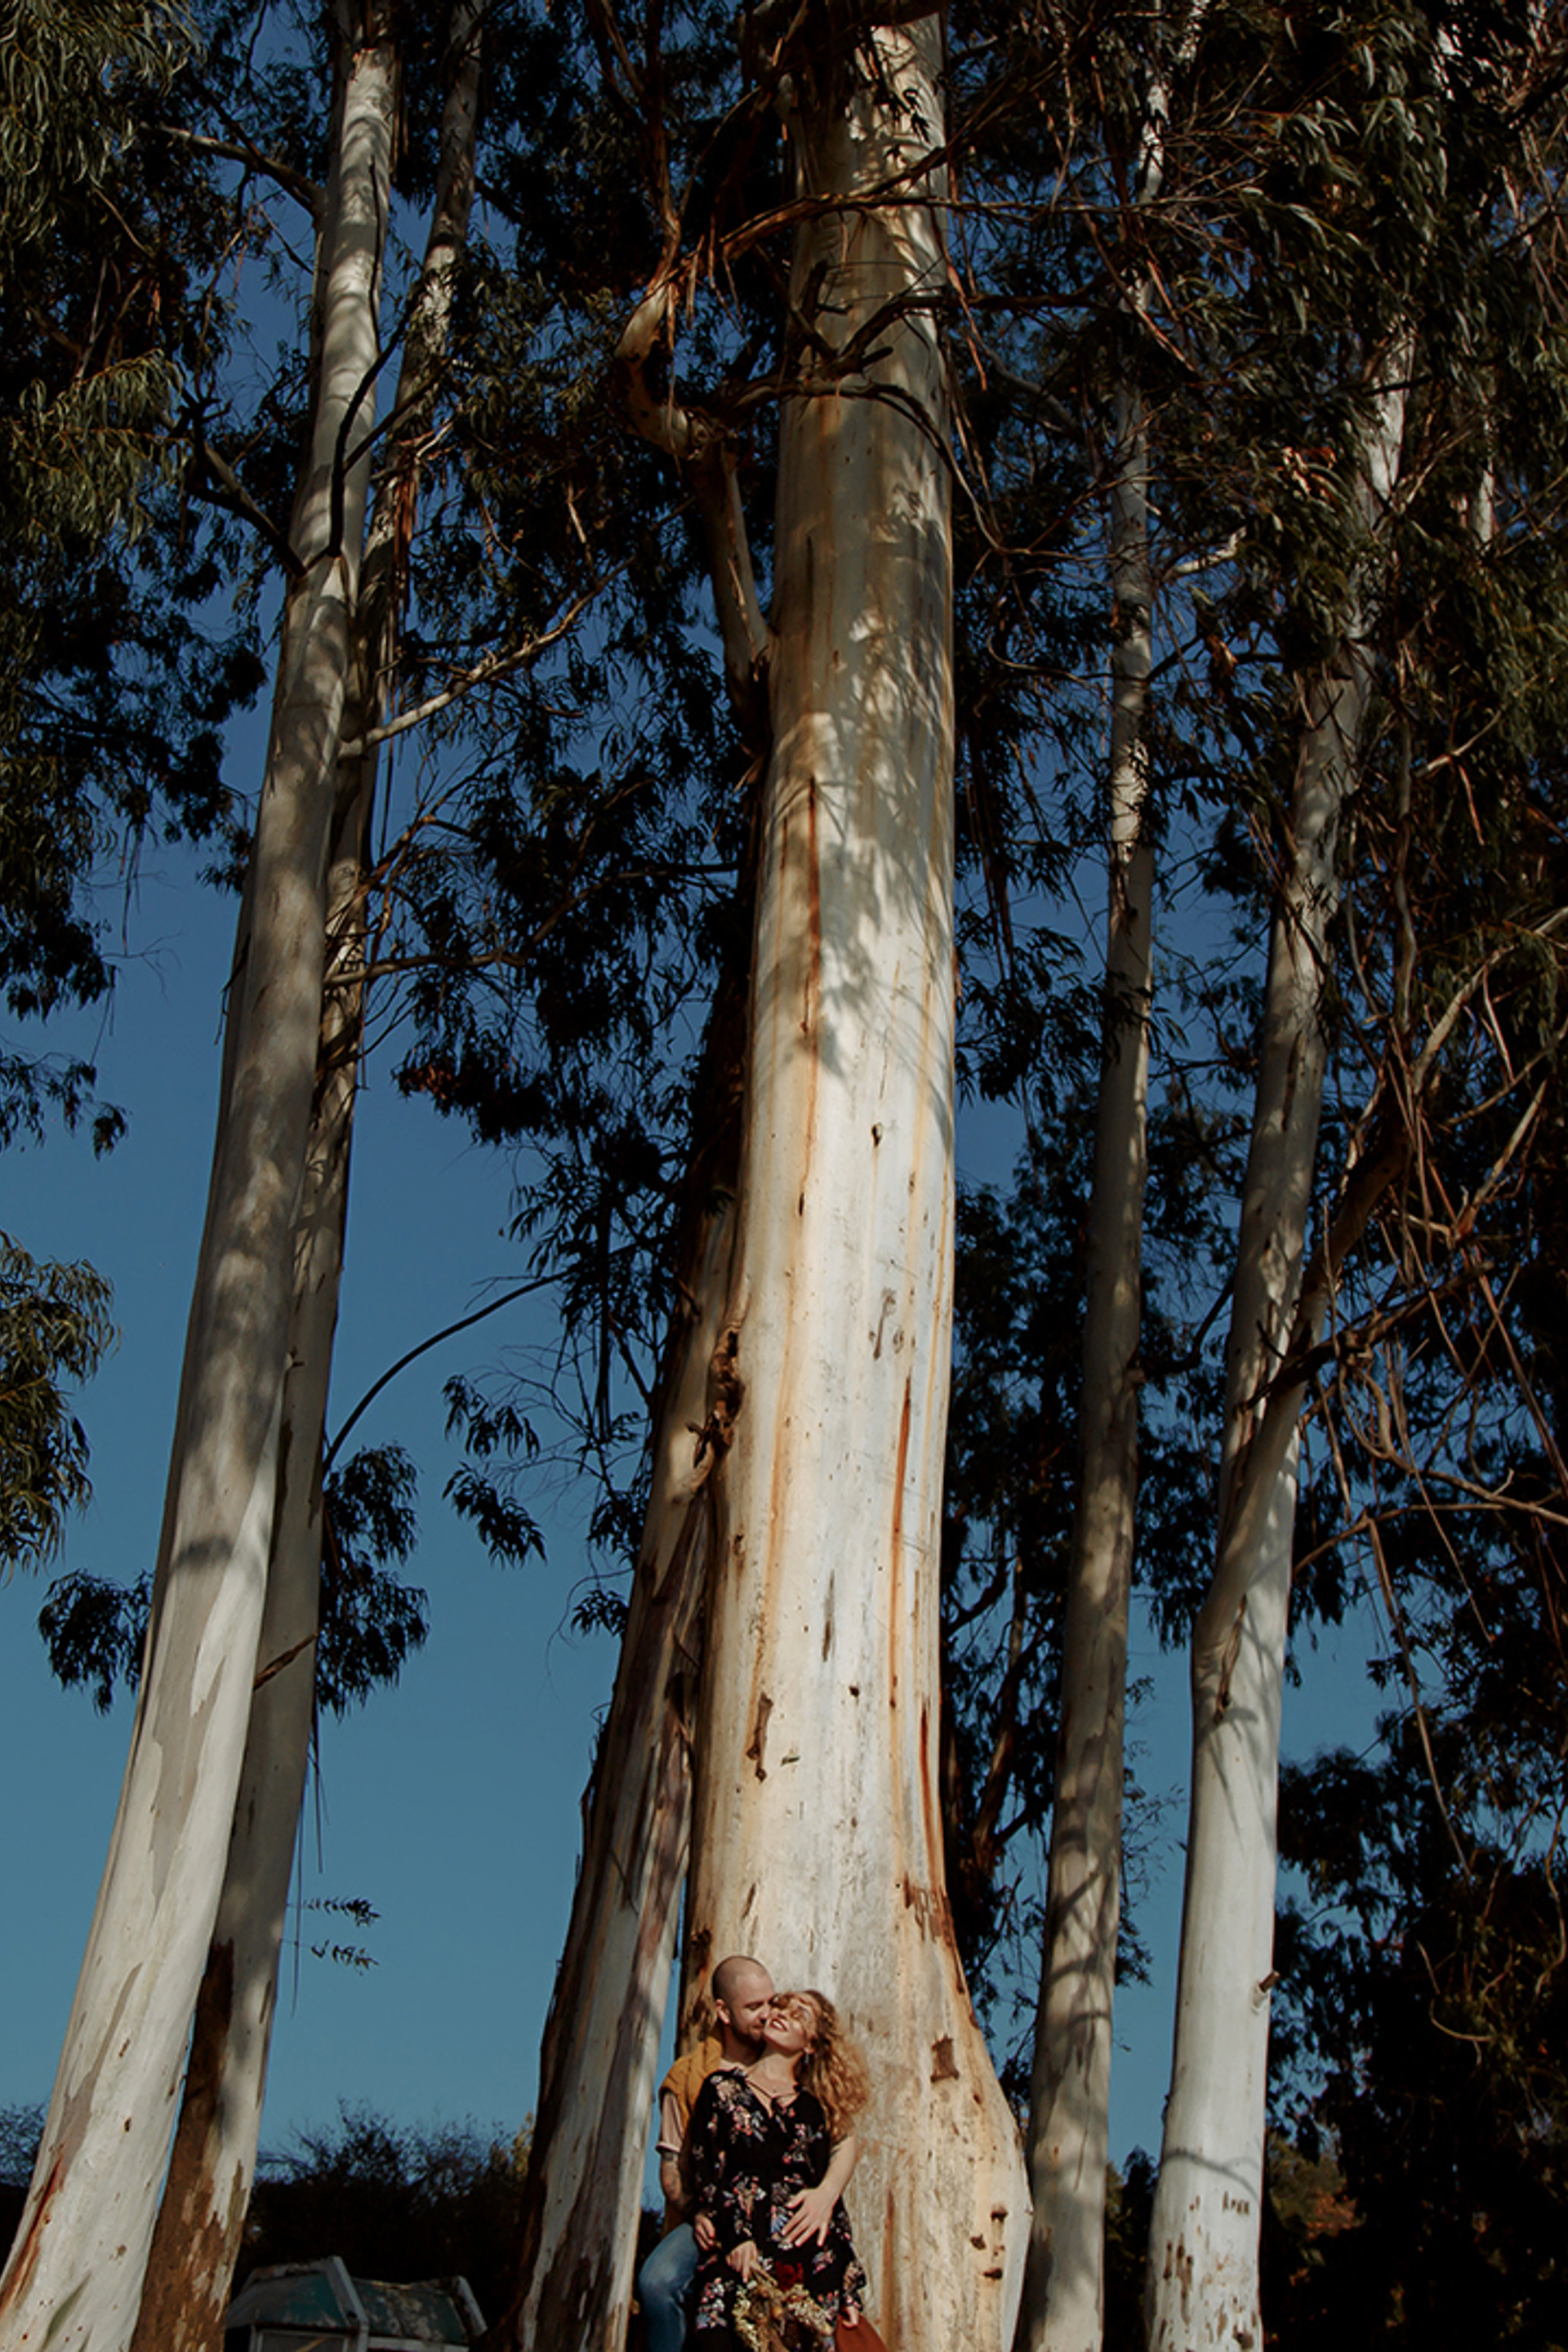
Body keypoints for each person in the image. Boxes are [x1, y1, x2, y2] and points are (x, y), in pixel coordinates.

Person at [638, 1961, 859, 2352]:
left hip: (792, 2226)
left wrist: (826, 2194)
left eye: (771, 2002)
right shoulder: (695, 2077)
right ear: (724, 2012)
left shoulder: (804, 2086)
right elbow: (678, 2173)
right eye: (755, 2007)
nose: (768, 2014)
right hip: (716, 2216)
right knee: (658, 2283)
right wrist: (705, 2213)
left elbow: (844, 2140)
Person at [685, 1990, 875, 2350]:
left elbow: (833, 2206)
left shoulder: (816, 2108)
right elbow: (707, 2173)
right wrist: (737, 2236)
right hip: (742, 2250)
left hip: (808, 2255)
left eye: (800, 2015)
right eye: (782, 2006)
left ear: (812, 2044)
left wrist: (849, 2286)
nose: (784, 2014)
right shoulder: (721, 2089)